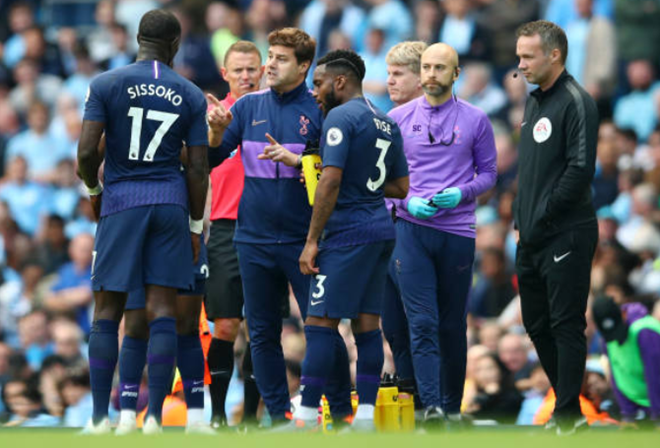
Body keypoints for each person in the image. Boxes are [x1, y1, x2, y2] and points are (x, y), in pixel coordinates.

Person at [205, 28, 352, 425]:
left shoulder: (322, 111)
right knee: (262, 334)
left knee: (321, 328)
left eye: (280, 58)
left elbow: (339, 176)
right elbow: (212, 157)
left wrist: (300, 159)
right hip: (252, 239)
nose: (269, 65)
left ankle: (341, 413)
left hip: (305, 241)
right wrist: (217, 130)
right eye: (270, 56)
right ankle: (280, 417)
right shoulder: (249, 106)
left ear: (304, 66)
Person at [77, 9, 209, 434]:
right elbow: (199, 170)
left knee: (107, 311)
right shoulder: (190, 93)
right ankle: (152, 419)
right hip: (169, 204)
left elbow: (85, 153)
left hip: (122, 202)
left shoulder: (106, 83)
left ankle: (100, 419)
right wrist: (193, 226)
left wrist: (95, 193)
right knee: (163, 311)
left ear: (137, 38)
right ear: (174, 45)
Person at [284, 49, 408, 431]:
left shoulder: (340, 117)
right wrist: (361, 182)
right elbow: (401, 187)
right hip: (380, 230)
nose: (314, 91)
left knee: (320, 322)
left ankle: (304, 416)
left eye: (318, 83)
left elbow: (331, 181)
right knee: (368, 325)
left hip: (347, 233)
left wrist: (311, 241)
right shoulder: (386, 122)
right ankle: (367, 417)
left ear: (340, 81)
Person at [388, 42, 497, 426]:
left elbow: (488, 174)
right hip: (412, 230)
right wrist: (407, 203)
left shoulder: (476, 119)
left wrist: (462, 192)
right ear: (420, 74)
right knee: (421, 321)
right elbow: (381, 181)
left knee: (453, 323)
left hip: (457, 231)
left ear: (456, 73)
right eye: (427, 68)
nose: (432, 74)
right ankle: (431, 406)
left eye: (440, 68)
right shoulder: (397, 118)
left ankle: (452, 408)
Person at [513, 20, 599, 435]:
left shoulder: (576, 101)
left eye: (528, 56)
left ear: (555, 55)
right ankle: (569, 406)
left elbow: (580, 170)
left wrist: (543, 217)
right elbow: (530, 173)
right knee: (535, 323)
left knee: (565, 322)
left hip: (566, 232)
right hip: (530, 234)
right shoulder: (533, 102)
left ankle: (567, 413)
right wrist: (519, 218)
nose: (520, 64)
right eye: (519, 55)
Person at [204, 40, 264, 428]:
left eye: (251, 69)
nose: (245, 76)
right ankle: (220, 415)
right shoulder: (214, 115)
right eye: (237, 70)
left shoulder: (278, 113)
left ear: (262, 71)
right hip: (225, 226)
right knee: (226, 325)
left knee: (262, 327)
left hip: (270, 228)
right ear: (225, 74)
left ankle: (253, 418)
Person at [381, 40, 426, 401]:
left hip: (419, 231)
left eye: (398, 74)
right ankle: (410, 398)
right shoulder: (386, 120)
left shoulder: (434, 120)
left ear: (422, 79)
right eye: (388, 74)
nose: (390, 81)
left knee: (420, 324)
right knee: (394, 327)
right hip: (384, 231)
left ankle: (433, 402)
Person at [592, 297, 660, 429]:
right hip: (641, 409)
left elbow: (655, 376)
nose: (616, 339)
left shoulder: (645, 331)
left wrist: (657, 416)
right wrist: (628, 414)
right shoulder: (608, 340)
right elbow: (619, 377)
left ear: (623, 314)